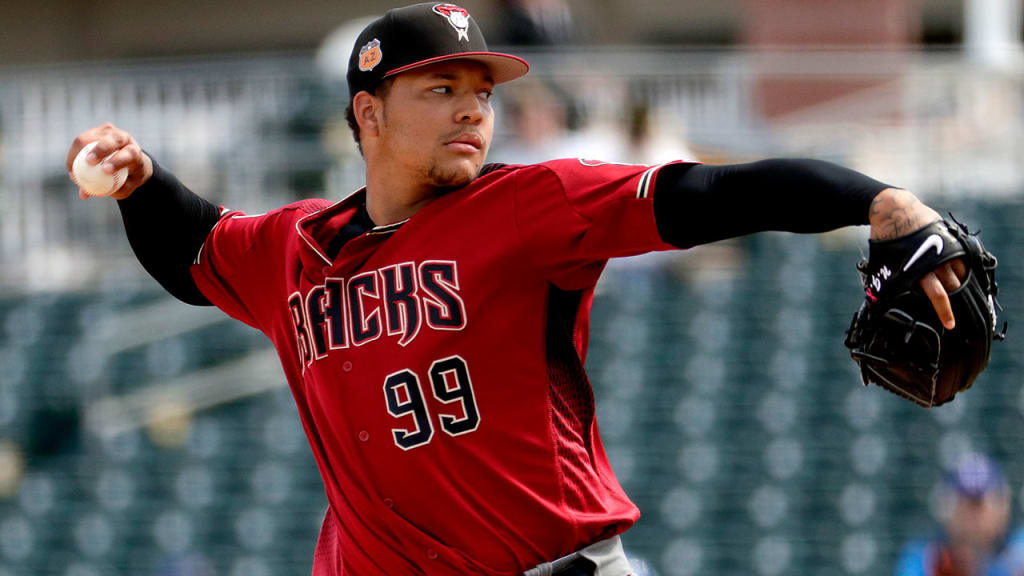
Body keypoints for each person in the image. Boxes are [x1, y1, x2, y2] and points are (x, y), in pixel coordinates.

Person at [66, 3, 967, 575]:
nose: (473, 109)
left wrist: (874, 201)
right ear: (368, 114)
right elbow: (194, 256)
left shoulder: (531, 204)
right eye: (443, 87)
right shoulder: (295, 248)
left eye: (483, 93)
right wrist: (143, 182)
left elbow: (708, 193)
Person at [895, 453, 1024, 576]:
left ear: (1002, 508)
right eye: (963, 505)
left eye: (978, 505)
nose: (971, 516)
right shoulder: (924, 558)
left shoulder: (1020, 552)